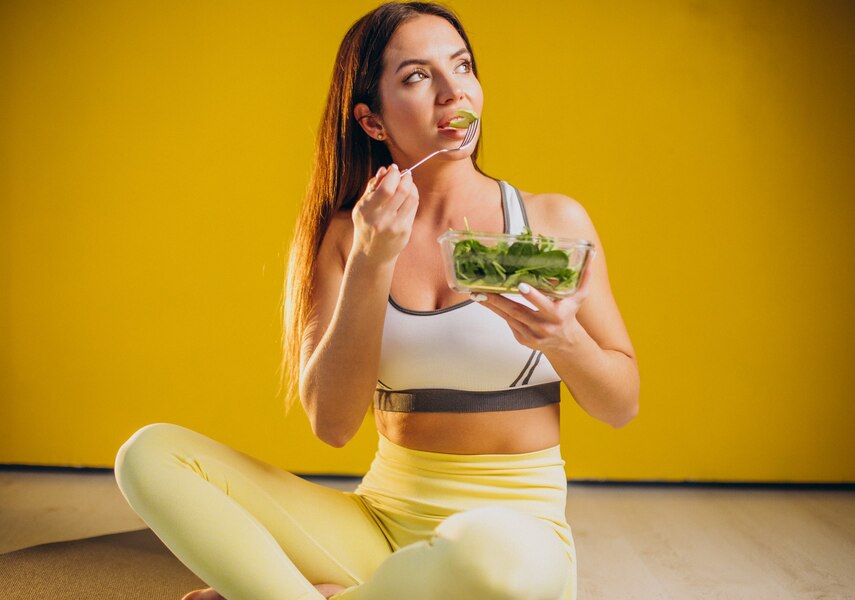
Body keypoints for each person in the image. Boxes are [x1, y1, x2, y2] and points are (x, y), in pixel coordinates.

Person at [114, 2, 639, 599]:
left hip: (516, 536)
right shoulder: (349, 237)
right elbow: (334, 426)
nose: (451, 92)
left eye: (462, 67)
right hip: (378, 526)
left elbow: (621, 404)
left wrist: (564, 342)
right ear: (371, 121)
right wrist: (370, 260)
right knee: (149, 455)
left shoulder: (546, 223)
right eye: (417, 77)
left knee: (487, 562)